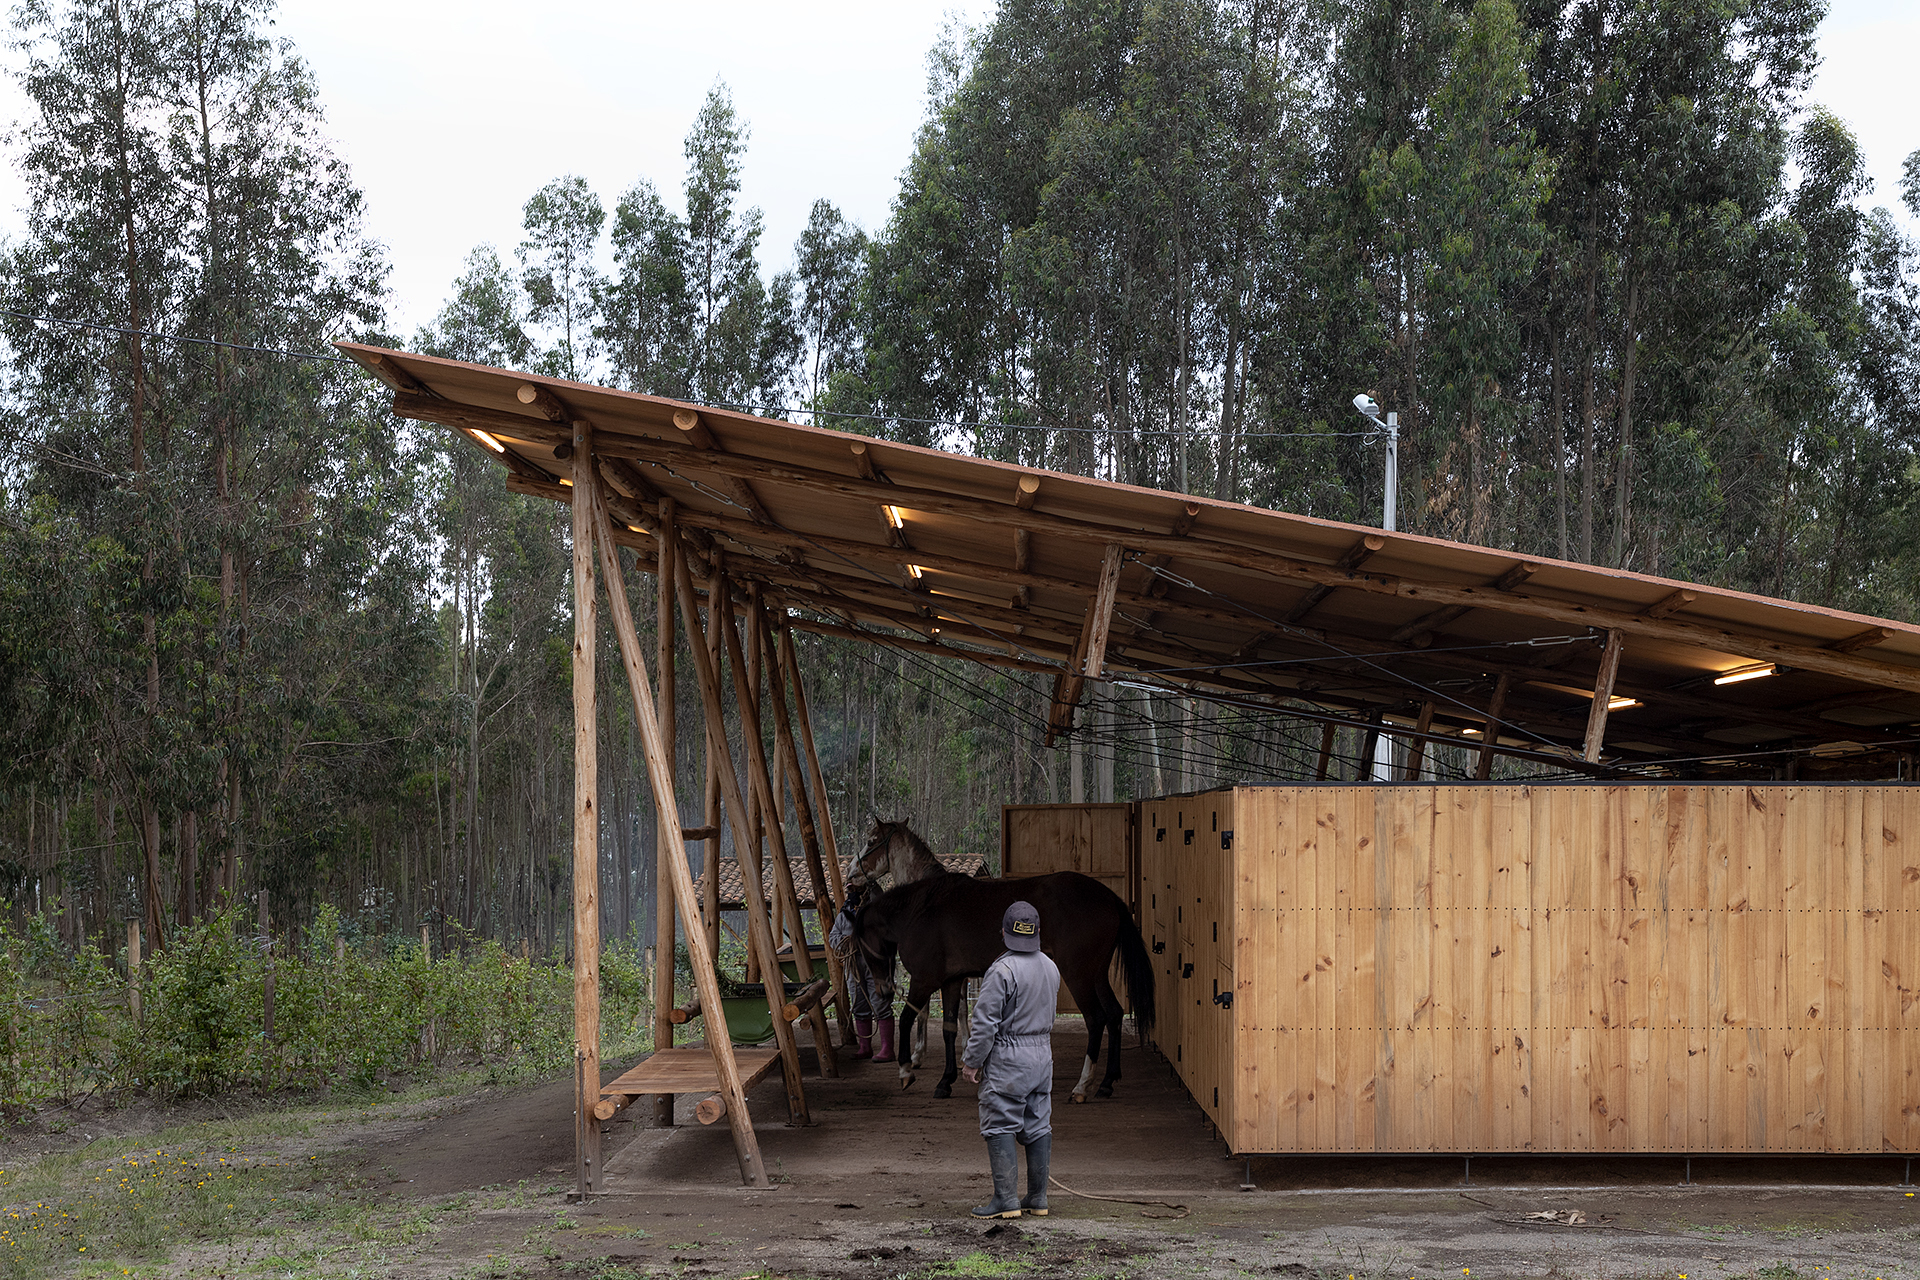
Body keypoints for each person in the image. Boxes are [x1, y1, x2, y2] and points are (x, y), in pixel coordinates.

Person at [959, 900, 1060, 1219]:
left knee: (1000, 1120)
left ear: (1004, 933)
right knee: (1038, 1122)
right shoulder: (1050, 967)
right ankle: (1038, 1198)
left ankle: (1006, 1200)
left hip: (1009, 1057)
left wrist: (972, 1061)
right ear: (1037, 932)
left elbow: (985, 1023)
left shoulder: (1002, 970)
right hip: (1042, 1055)